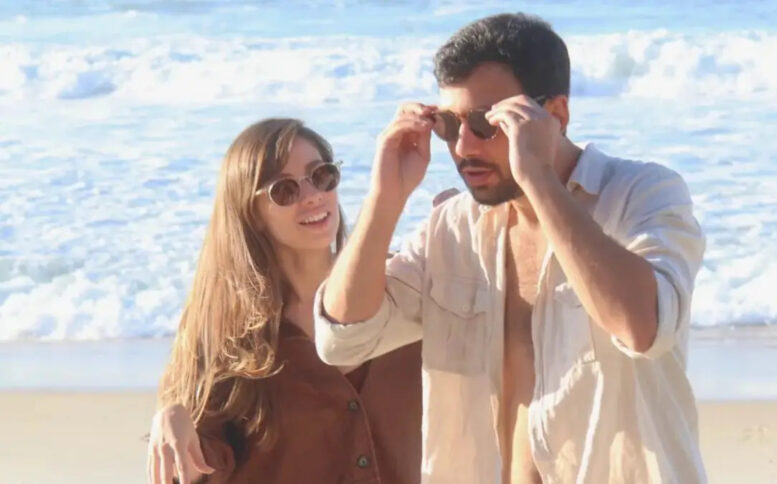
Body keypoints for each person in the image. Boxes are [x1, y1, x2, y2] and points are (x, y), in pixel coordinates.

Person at [314, 13, 707, 484]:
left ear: (556, 115)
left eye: (487, 123)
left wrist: (537, 176)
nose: (463, 146)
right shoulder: (452, 229)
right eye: (448, 124)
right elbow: (343, 339)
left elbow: (645, 328)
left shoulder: (644, 194)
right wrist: (385, 197)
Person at [147, 118, 433, 484]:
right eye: (284, 190)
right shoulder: (233, 334)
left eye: (322, 175)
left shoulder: (403, 289)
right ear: (252, 214)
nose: (313, 195)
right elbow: (199, 460)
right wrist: (173, 413)